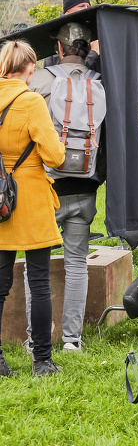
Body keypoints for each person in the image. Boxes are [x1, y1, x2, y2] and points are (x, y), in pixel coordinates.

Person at [24, 22, 105, 353]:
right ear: (87, 48)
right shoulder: (102, 83)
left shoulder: (38, 82)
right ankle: (72, 340)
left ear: (58, 49)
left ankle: (35, 339)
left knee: (36, 267)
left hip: (48, 185)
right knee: (76, 263)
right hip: (85, 187)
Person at [0, 40, 66, 377]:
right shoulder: (30, 101)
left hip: (0, 202)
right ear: (29, 67)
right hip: (30, 198)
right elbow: (55, 156)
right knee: (38, 281)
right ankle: (41, 360)